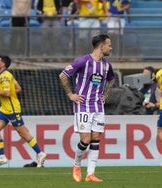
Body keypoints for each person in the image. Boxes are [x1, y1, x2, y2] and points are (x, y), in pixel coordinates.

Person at [59, 34, 115, 182]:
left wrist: (105, 95)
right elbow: (63, 75)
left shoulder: (106, 65)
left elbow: (112, 79)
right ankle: (76, 165)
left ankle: (90, 174)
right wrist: (71, 94)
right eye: (109, 45)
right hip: (83, 105)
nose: (111, 47)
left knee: (96, 138)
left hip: (98, 106)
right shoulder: (83, 61)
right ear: (101, 46)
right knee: (85, 139)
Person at [0, 55, 47, 168]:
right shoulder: (7, 74)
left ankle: (40, 154)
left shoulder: (4, 76)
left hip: (11, 109)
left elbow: (7, 93)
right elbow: (18, 88)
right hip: (4, 109)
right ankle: (2, 157)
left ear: (3, 64)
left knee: (23, 133)